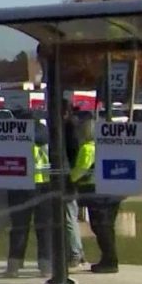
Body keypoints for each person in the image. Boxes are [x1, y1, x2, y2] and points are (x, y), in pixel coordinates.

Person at [3, 131, 52, 278]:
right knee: (44, 229)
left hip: (21, 187)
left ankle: (14, 266)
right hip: (44, 186)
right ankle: (46, 266)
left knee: (19, 228)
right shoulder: (46, 141)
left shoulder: (17, 142)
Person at [73, 119, 118, 274]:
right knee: (108, 227)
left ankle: (110, 261)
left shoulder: (87, 148)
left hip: (97, 193)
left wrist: (69, 179)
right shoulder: (108, 145)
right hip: (114, 190)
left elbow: (81, 170)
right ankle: (110, 259)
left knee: (100, 227)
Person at [62, 105, 87, 268]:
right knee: (70, 217)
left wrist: (70, 178)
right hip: (70, 180)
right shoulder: (75, 128)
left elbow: (72, 156)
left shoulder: (67, 130)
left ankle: (75, 253)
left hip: (67, 180)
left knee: (68, 218)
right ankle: (78, 251)